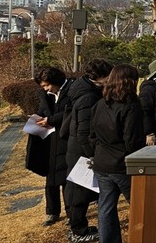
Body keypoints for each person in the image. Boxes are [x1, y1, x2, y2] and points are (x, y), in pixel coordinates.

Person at [88, 64, 145, 243]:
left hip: (102, 162)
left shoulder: (99, 104)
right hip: (123, 164)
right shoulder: (131, 106)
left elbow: (92, 135)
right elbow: (132, 141)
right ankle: (144, 236)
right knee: (139, 205)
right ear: (131, 82)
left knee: (106, 207)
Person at [64, 58, 113, 243]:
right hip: (81, 152)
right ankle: (79, 231)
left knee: (78, 192)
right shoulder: (88, 97)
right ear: (100, 77)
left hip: (77, 148)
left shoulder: (84, 89)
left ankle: (77, 226)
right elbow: (84, 131)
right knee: (79, 193)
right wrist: (91, 155)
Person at [33, 67, 75, 226]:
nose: (45, 89)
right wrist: (38, 119)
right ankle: (52, 211)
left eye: (47, 85)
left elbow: (72, 112)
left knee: (67, 178)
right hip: (50, 139)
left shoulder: (72, 90)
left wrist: (51, 120)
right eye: (43, 86)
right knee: (50, 178)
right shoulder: (45, 95)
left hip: (67, 138)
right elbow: (42, 110)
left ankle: (71, 213)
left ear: (56, 81)